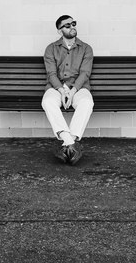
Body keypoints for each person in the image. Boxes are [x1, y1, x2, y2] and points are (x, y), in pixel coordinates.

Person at [42, 15, 94, 165]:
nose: (72, 27)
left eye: (73, 23)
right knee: (48, 101)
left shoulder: (86, 48)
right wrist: (62, 90)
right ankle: (70, 143)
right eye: (67, 25)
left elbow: (85, 73)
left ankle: (67, 145)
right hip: (56, 87)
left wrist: (72, 91)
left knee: (87, 102)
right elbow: (51, 74)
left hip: (78, 87)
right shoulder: (51, 48)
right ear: (60, 31)